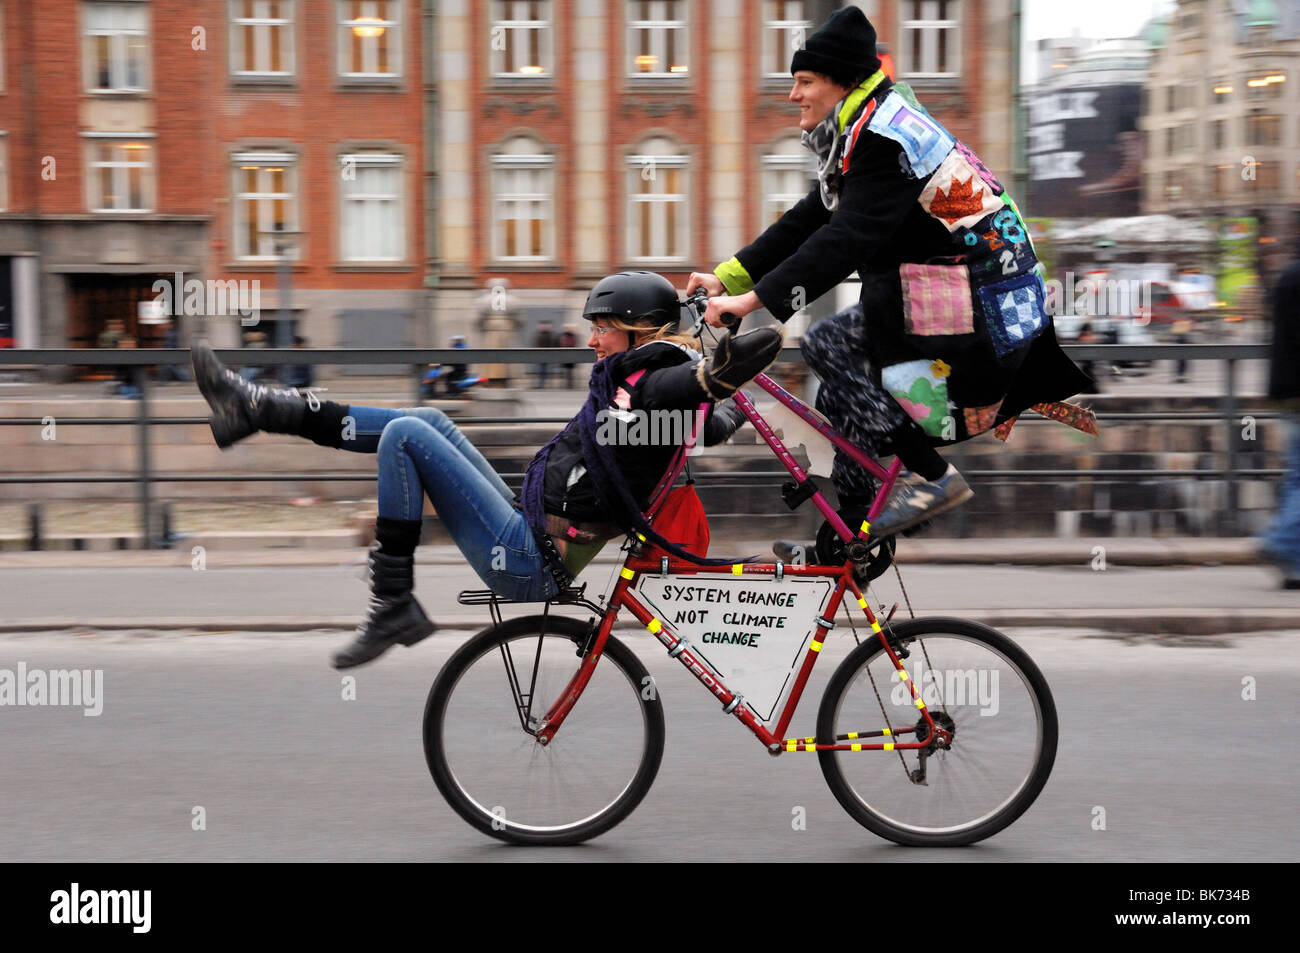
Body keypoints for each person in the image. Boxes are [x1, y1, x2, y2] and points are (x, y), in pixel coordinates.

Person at [190, 272, 782, 668]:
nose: (592, 341)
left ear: (637, 331)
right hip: (530, 523)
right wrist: (721, 399)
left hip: (528, 559)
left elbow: (682, 389)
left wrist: (714, 378)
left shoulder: (651, 383)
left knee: (405, 434)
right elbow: (700, 418)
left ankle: (391, 601)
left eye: (601, 328)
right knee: (425, 417)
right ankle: (260, 407)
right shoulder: (648, 388)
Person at [687, 6, 1094, 539]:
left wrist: (751, 303)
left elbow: (846, 239)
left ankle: (935, 479)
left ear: (844, 81)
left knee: (829, 347)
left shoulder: (887, 138)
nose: (793, 95)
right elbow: (811, 217)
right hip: (950, 295)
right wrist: (730, 278)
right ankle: (852, 535)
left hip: (984, 307)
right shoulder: (866, 127)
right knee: (838, 392)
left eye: (805, 81)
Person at [1259, 260, 1300, 590]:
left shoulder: (1288, 275)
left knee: (1295, 478)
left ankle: (1293, 563)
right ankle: (1281, 542)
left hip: (1284, 390)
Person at [533, 320, 556, 389]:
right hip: (540, 355)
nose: (544, 327)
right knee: (539, 370)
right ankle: (540, 384)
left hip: (548, 355)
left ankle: (544, 384)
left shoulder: (551, 335)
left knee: (546, 370)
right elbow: (535, 344)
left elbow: (554, 344)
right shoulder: (537, 334)